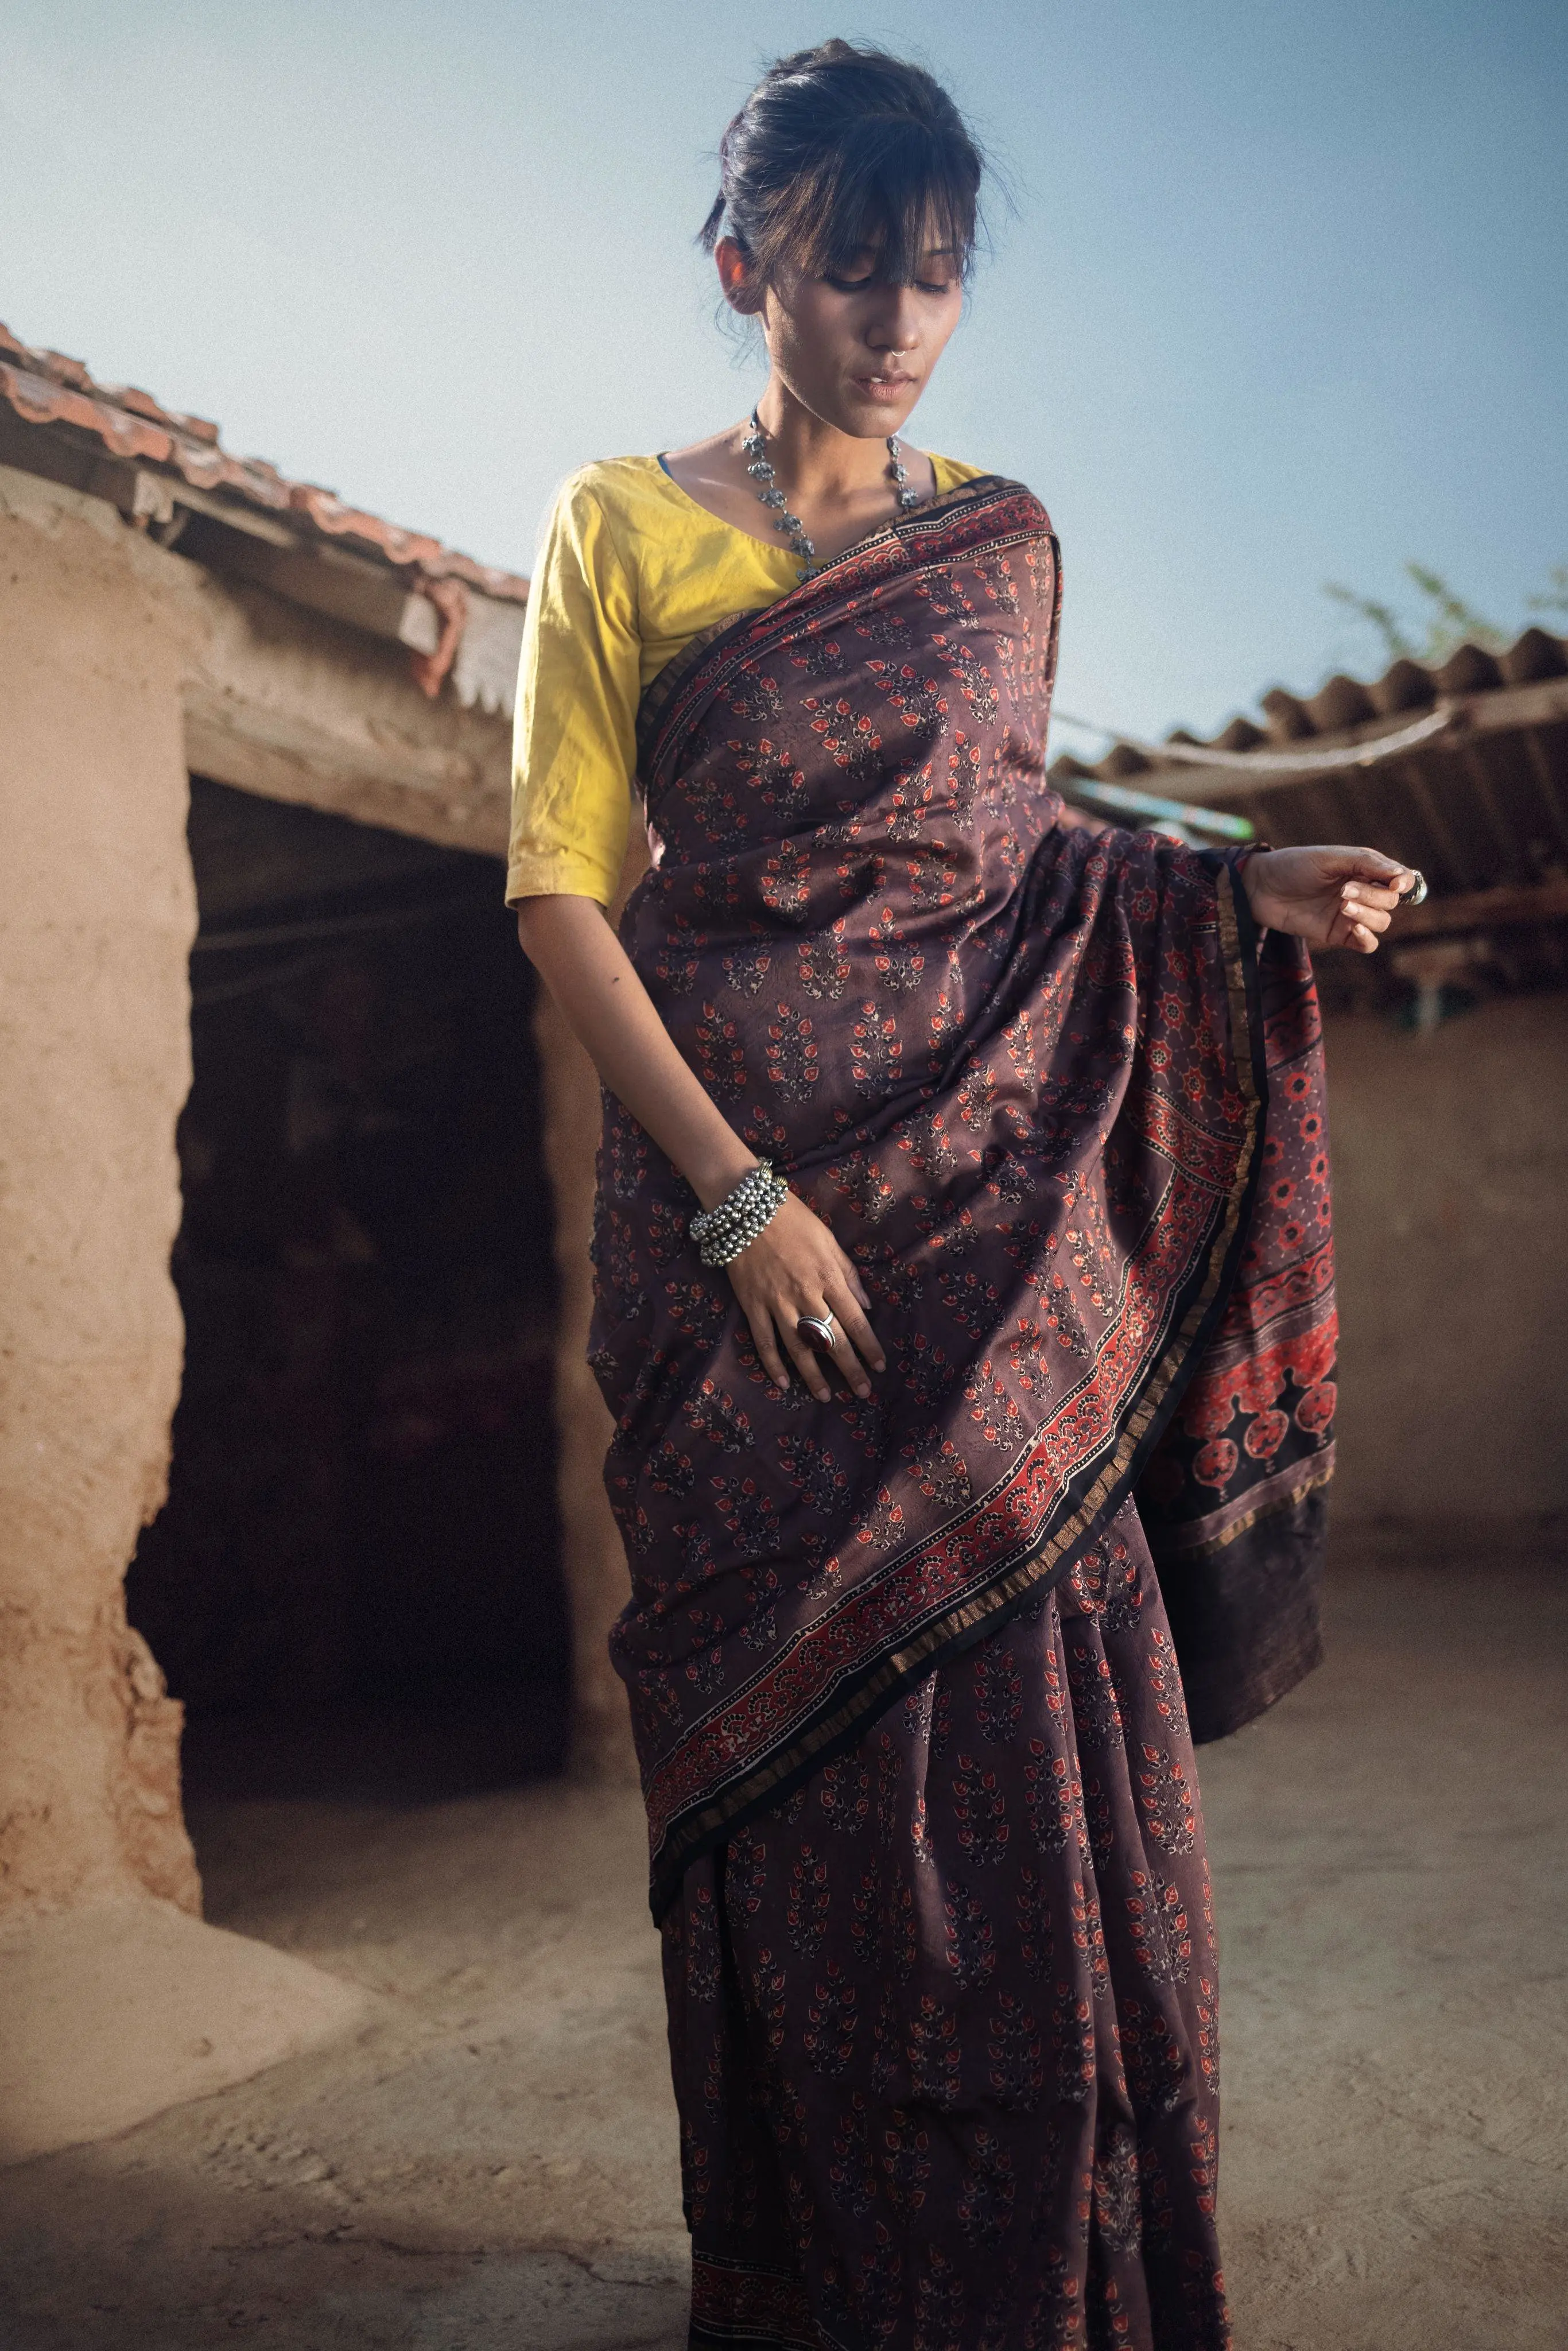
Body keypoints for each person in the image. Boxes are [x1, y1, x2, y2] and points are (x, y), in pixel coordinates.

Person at [509, 41, 1416, 2351]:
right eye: (847, 268)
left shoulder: (993, 542)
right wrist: (736, 1208)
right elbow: (559, 899)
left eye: (929, 275)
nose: (897, 317)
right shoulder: (616, 524)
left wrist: (1237, 892)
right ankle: (827, 2283)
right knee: (797, 1797)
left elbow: (1019, 876)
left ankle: (1069, 2283)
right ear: (748, 269)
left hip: (997, 1253)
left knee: (1045, 1750)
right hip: (748, 1281)